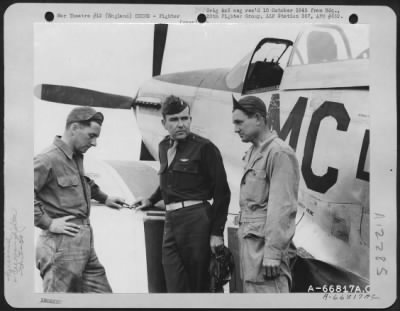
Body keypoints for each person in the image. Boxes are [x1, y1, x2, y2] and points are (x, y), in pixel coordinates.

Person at [135, 95, 231, 292]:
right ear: (164, 123)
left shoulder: (205, 148)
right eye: (174, 120)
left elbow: (223, 192)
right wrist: (151, 200)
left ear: (190, 120)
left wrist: (216, 233)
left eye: (184, 118)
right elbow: (167, 181)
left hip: (197, 219)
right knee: (173, 281)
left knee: (201, 284)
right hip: (171, 221)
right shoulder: (164, 147)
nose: (181, 124)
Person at [34, 106, 126, 293]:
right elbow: (17, 190)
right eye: (91, 136)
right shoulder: (47, 158)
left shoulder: (76, 158)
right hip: (60, 245)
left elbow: (83, 183)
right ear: (74, 128)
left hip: (84, 245)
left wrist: (105, 198)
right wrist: (48, 222)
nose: (94, 143)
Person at [231, 95, 299, 293]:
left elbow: (282, 207)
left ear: (259, 119)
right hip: (251, 254)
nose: (235, 129)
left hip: (266, 257)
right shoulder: (253, 152)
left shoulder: (279, 153)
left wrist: (273, 253)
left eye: (239, 122)